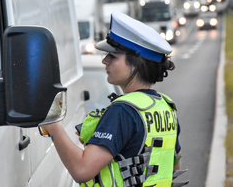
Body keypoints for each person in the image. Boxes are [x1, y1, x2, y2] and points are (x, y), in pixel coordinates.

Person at [42, 12, 188, 187]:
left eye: (113, 56)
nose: (104, 60)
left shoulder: (123, 111)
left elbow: (81, 170)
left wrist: (52, 124)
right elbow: (172, 167)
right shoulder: (166, 106)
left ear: (135, 63)